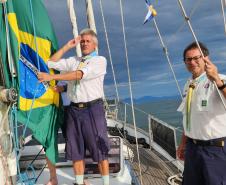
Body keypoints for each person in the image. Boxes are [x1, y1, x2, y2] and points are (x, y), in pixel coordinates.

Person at [38, 28, 110, 185]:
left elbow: (79, 75)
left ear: (94, 45)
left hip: (93, 110)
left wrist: (52, 76)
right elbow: (50, 62)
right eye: (82, 41)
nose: (84, 43)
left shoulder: (99, 61)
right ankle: (79, 182)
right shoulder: (74, 60)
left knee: (100, 151)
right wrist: (67, 47)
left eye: (87, 41)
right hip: (74, 110)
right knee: (76, 151)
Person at [177, 41, 226, 185]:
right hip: (192, 148)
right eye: (188, 59)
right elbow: (189, 116)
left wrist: (217, 80)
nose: (192, 62)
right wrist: (183, 144)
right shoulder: (189, 84)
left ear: (205, 59)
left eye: (196, 58)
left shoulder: (220, 79)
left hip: (215, 149)